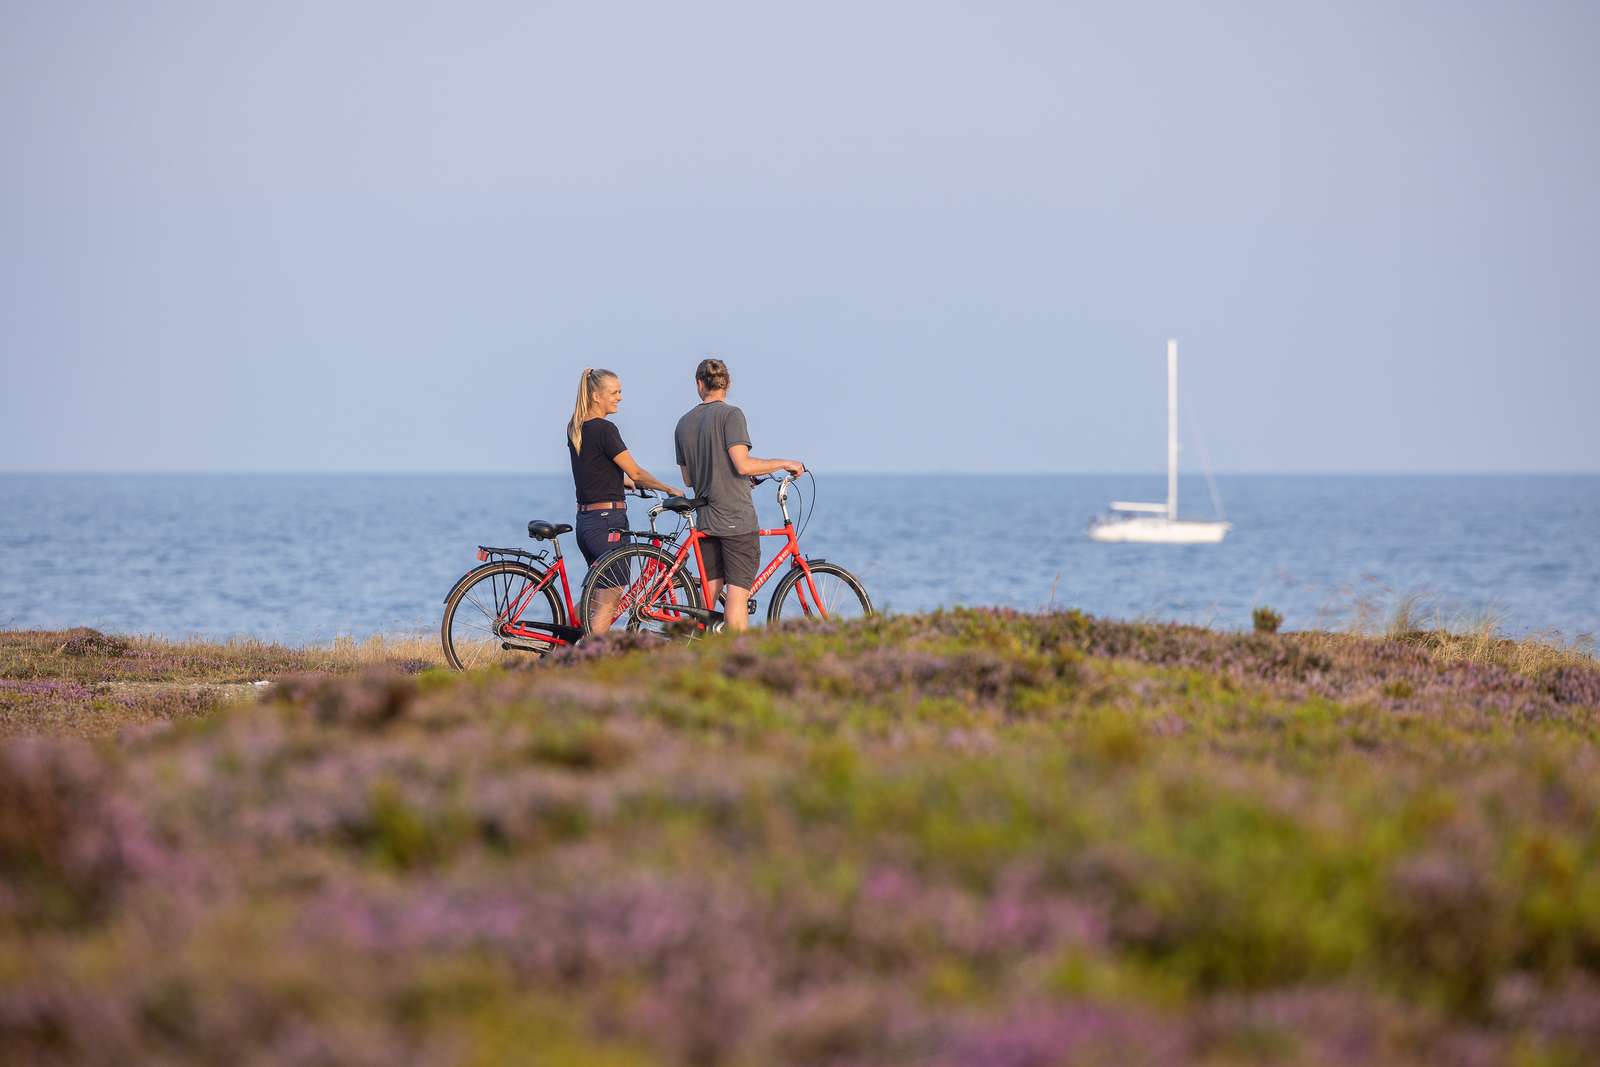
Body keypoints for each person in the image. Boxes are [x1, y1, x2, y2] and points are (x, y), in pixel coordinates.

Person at [673, 358, 804, 632]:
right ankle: (738, 651)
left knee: (708, 591)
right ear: (727, 384)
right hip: (735, 517)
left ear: (699, 384)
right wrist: (784, 463)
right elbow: (742, 465)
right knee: (738, 592)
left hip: (706, 518)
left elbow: (689, 479)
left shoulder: (683, 423)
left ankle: (696, 646)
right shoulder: (731, 415)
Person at [567, 368, 682, 627]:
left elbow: (592, 469)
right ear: (596, 396)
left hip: (586, 523)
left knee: (595, 597)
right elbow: (636, 472)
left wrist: (619, 481)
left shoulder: (576, 427)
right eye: (614, 392)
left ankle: (559, 644)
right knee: (610, 598)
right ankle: (595, 652)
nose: (619, 397)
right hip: (608, 523)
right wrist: (668, 489)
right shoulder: (605, 429)